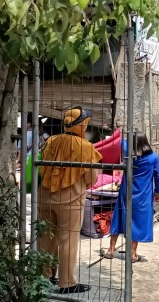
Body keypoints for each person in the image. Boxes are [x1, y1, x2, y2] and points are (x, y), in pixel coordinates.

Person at [39, 106, 102, 294]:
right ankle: (67, 283)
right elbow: (91, 178)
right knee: (68, 241)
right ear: (82, 125)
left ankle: (44, 277)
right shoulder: (85, 147)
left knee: (46, 238)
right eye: (86, 123)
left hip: (44, 197)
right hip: (71, 199)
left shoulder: (51, 140)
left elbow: (42, 167)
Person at [102, 132, 159, 262]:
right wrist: (157, 192)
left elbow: (121, 142)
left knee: (118, 218)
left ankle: (111, 250)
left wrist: (126, 137)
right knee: (137, 222)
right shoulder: (153, 158)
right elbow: (158, 176)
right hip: (143, 196)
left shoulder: (128, 156)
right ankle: (133, 254)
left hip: (126, 192)